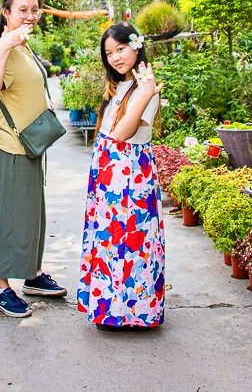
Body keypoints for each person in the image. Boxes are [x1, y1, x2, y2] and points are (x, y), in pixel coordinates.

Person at [0, 0, 67, 318]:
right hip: (10, 148)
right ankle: (0, 288)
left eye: (35, 9)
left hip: (30, 146)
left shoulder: (22, 42)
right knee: (8, 218)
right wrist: (3, 45)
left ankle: (31, 274)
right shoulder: (4, 45)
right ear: (6, 13)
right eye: (23, 10)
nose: (31, 16)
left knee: (32, 216)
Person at [78, 22, 165, 331]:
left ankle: (133, 312)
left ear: (137, 46)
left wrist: (145, 91)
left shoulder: (147, 88)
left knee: (132, 242)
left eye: (121, 49)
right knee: (109, 239)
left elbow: (123, 133)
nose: (115, 57)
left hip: (131, 173)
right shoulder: (119, 87)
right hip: (108, 172)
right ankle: (108, 309)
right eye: (109, 53)